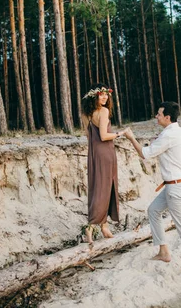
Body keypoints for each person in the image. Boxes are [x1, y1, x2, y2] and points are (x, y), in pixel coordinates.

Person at [124, 101, 181, 284]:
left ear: (167, 117)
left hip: (175, 187)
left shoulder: (169, 134)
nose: (156, 116)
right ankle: (163, 252)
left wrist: (131, 137)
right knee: (153, 210)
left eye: (159, 114)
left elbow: (144, 154)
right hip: (177, 184)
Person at [81, 83, 128, 244]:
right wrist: (120, 133)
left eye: (106, 95)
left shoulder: (86, 113)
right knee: (104, 188)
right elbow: (103, 135)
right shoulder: (104, 111)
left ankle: (104, 226)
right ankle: (91, 226)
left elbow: (89, 136)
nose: (105, 97)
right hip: (105, 152)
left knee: (98, 187)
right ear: (94, 96)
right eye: (101, 94)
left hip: (93, 153)